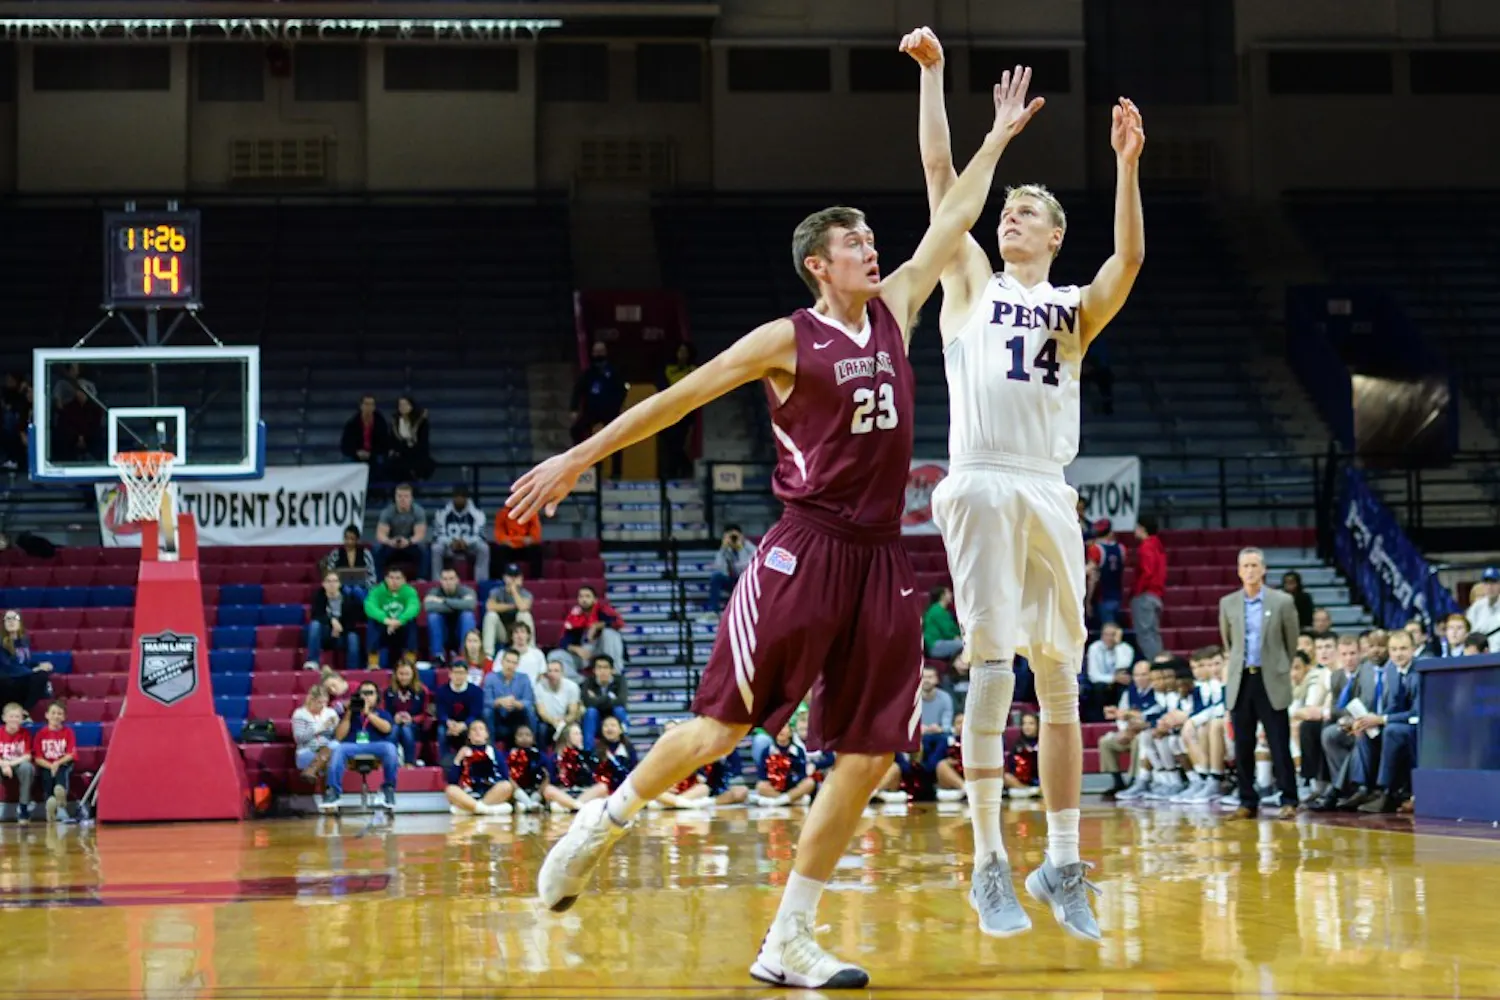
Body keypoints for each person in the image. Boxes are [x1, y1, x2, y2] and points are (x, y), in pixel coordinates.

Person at [508, 60, 1030, 988]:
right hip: (805, 552)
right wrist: (577, 458)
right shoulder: (788, 338)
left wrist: (970, 115)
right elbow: (674, 403)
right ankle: (604, 819)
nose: (875, 248)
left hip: (882, 563)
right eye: (855, 242)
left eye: (874, 237)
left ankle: (787, 937)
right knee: (720, 731)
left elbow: (954, 199)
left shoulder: (901, 306)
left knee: (871, 754)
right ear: (817, 265)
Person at [903, 26, 1142, 940]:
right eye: (1005, 210)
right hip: (979, 482)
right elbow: (938, 177)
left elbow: (1127, 265)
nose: (1010, 216)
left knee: (1062, 678)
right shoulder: (967, 281)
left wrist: (1125, 166)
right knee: (994, 669)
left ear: (1055, 235)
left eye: (1027, 212)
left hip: (1048, 487)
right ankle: (988, 863)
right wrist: (936, 81)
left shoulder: (1072, 307)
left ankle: (1062, 860)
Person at [1219, 548, 1300, 819]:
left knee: (1279, 742)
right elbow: (1229, 643)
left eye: (1255, 565)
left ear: (1263, 569)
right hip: (1242, 679)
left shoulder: (1283, 602)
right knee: (1243, 744)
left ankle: (1289, 798)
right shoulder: (1227, 603)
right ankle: (1246, 801)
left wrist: (1278, 667)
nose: (1250, 570)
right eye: (1245, 566)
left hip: (1271, 680)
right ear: (1239, 570)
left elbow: (1291, 643)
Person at [319, 680, 399, 813]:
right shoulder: (349, 713)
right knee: (339, 748)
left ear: (377, 697)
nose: (367, 696)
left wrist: (368, 714)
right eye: (363, 693)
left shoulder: (382, 713)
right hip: (352, 745)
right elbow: (339, 736)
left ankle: (388, 789)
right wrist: (349, 713)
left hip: (375, 745)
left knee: (390, 748)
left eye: (370, 693)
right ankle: (333, 792)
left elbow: (387, 729)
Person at [547, 586, 627, 679]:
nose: (584, 599)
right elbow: (563, 640)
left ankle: (614, 676)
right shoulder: (574, 615)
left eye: (587, 596)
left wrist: (597, 625)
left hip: (603, 650)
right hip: (583, 654)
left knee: (610, 633)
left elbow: (619, 622)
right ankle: (582, 683)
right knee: (554, 656)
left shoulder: (603, 610)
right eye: (581, 596)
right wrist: (576, 649)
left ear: (595, 600)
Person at [446, 719, 514, 817]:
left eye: (481, 729)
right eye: (474, 729)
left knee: (507, 786)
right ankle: (486, 810)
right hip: (469, 795)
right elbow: (452, 780)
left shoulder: (494, 752)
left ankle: (472, 809)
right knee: (450, 789)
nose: (477, 731)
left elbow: (505, 776)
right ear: (469, 735)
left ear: (486, 734)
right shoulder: (464, 752)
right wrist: (458, 759)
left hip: (491, 794)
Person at [363, 567, 420, 668]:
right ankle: (373, 662)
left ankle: (410, 662)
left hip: (401, 627)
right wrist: (386, 620)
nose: (394, 581)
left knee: (411, 622)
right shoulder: (377, 591)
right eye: (391, 578)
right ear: (385, 579)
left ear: (404, 580)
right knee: (373, 622)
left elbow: (413, 607)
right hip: (383, 627)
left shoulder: (409, 591)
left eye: (398, 578)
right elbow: (369, 606)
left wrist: (399, 621)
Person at [658, 342, 699, 478]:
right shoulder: (668, 370)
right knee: (670, 445)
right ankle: (670, 474)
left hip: (687, 414)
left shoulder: (694, 370)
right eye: (680, 351)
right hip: (669, 414)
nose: (682, 354)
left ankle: (684, 473)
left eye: (685, 351)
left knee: (683, 445)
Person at [432, 487, 490, 581]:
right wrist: (450, 542)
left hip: (469, 547)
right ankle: (436, 582)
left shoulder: (477, 513)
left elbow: (480, 536)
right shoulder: (442, 513)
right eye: (456, 497)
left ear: (466, 498)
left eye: (462, 497)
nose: (459, 500)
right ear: (453, 498)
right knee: (436, 548)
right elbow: (437, 535)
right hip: (449, 547)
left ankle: (481, 581)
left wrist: (466, 542)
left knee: (484, 548)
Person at [32, 701, 77, 823]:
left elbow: (71, 754)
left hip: (63, 763)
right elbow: (37, 758)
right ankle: (51, 805)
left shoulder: (68, 732)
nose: (56, 716)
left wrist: (57, 763)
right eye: (53, 713)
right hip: (46, 764)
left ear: (64, 717)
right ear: (46, 715)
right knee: (47, 777)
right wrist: (50, 765)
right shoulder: (41, 734)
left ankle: (61, 795)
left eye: (59, 714)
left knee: (61, 773)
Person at [483, 648, 536, 749]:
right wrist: (500, 702)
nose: (510, 665)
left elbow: (528, 701)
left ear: (517, 665)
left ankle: (532, 746)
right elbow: (487, 701)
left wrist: (516, 703)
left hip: (516, 715)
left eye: (514, 663)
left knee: (530, 711)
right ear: (502, 662)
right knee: (487, 712)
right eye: (508, 661)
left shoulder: (524, 678)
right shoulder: (491, 677)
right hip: (497, 716)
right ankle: (490, 748)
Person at [375, 483, 429, 580]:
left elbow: (420, 535)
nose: (402, 499)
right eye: (399, 496)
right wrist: (390, 541)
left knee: (424, 550)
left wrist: (408, 541)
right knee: (377, 549)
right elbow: (380, 534)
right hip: (392, 545)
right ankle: (379, 580)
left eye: (406, 496)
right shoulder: (387, 512)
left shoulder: (418, 511)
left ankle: (421, 580)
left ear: (411, 498)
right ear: (395, 497)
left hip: (410, 545)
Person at [0, 610, 52, 711]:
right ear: (3, 623)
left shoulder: (24, 641)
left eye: (14, 618)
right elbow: (9, 666)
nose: (11, 621)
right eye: (8, 619)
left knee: (42, 675)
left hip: (20, 680)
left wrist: (40, 665)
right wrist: (33, 670)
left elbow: (23, 663)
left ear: (20, 622)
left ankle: (24, 711)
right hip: (6, 682)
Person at [308, 571, 360, 670]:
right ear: (323, 584)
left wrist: (340, 629)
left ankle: (353, 670)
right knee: (315, 625)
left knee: (353, 637)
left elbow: (351, 623)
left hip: (341, 635)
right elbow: (316, 615)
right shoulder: (318, 597)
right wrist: (332, 621)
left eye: (335, 581)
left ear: (339, 584)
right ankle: (313, 661)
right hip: (324, 634)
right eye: (328, 581)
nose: (332, 584)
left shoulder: (348, 599)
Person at [424, 568, 478, 663]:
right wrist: (459, 604)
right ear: (440, 581)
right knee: (433, 617)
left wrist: (443, 601)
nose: (448, 582)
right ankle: (438, 656)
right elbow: (428, 606)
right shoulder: (433, 592)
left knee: (467, 616)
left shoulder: (467, 591)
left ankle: (465, 655)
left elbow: (471, 605)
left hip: (460, 630)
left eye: (451, 578)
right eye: (445, 579)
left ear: (457, 580)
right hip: (443, 631)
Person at [383, 659, 430, 768]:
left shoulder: (422, 691)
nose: (404, 677)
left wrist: (412, 719)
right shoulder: (388, 691)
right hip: (393, 724)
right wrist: (393, 718)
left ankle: (409, 762)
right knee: (394, 729)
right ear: (396, 674)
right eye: (401, 674)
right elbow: (383, 712)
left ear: (413, 674)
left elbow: (425, 715)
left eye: (407, 674)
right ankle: (390, 762)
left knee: (406, 729)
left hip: (414, 726)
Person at [482, 563, 536, 658]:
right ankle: (488, 656)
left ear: (521, 578)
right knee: (491, 616)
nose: (513, 579)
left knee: (524, 615)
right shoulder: (496, 592)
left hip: (518, 632)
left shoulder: (526, 594)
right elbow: (490, 607)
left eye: (516, 576)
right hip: (502, 632)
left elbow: (523, 607)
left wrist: (514, 590)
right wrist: (513, 606)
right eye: (510, 576)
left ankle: (530, 651)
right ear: (504, 577)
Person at [579, 654, 628, 751]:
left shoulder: (620, 680)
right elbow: (588, 703)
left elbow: (621, 701)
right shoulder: (588, 682)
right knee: (591, 712)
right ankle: (589, 753)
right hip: (596, 721)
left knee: (619, 710)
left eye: (606, 667)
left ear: (612, 670)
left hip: (614, 719)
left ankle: (625, 748)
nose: (603, 671)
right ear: (594, 671)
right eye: (599, 668)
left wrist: (597, 699)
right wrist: (609, 698)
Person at [292, 684, 338, 781]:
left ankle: (312, 771)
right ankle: (330, 790)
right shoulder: (300, 714)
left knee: (335, 746)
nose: (323, 706)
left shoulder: (330, 712)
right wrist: (319, 728)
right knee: (329, 758)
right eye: (319, 702)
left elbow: (338, 736)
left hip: (328, 748)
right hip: (307, 750)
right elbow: (299, 739)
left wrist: (336, 725)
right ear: (311, 700)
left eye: (325, 702)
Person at [1086, 519, 1126, 626]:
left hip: (1102, 597)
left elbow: (1093, 578)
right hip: (1117, 596)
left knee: (1107, 632)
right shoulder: (1121, 548)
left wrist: (1088, 601)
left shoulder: (1095, 549)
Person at [708, 525, 757, 614]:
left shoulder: (749, 547)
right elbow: (719, 567)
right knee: (716, 576)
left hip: (745, 581)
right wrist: (723, 548)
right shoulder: (725, 548)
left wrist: (740, 548)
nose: (733, 538)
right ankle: (713, 611)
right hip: (731, 580)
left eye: (735, 536)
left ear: (741, 535)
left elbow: (746, 567)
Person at [0, 701, 34, 823]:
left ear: (22, 719)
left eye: (17, 717)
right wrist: (3, 764)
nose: (14, 719)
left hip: (16, 764)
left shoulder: (25, 734)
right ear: (4, 718)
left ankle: (24, 808)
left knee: (27, 767)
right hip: (2, 764)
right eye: (11, 716)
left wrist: (9, 764)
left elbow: (27, 756)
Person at [388, 395, 434, 483]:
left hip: (417, 453)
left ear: (411, 406)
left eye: (405, 405)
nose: (402, 407)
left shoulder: (421, 421)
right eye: (400, 405)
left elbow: (423, 441)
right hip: (401, 453)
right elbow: (393, 440)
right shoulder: (395, 422)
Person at [325, 526, 377, 600]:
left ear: (357, 540)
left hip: (362, 587)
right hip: (341, 587)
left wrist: (367, 586)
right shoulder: (336, 554)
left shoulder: (365, 553)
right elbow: (329, 573)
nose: (349, 541)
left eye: (352, 539)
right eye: (346, 538)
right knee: (347, 590)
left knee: (357, 591)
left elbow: (372, 575)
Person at [340, 395, 390, 472]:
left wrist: (371, 453)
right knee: (347, 460)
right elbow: (345, 445)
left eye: (371, 404)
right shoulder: (352, 423)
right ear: (361, 406)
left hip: (374, 454)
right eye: (366, 404)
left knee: (382, 461)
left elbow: (385, 444)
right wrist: (357, 452)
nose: (369, 407)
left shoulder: (381, 423)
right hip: (356, 455)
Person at [923, 586, 964, 662]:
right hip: (935, 645)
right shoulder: (937, 610)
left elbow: (951, 629)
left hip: (942, 642)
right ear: (942, 596)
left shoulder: (942, 610)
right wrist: (958, 637)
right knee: (966, 645)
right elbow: (948, 631)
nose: (951, 594)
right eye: (948, 592)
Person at [1466, 567, 1500, 652]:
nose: (1489, 587)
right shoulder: (1476, 607)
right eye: (1486, 583)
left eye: (1493, 583)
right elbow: (1469, 634)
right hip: (1481, 656)